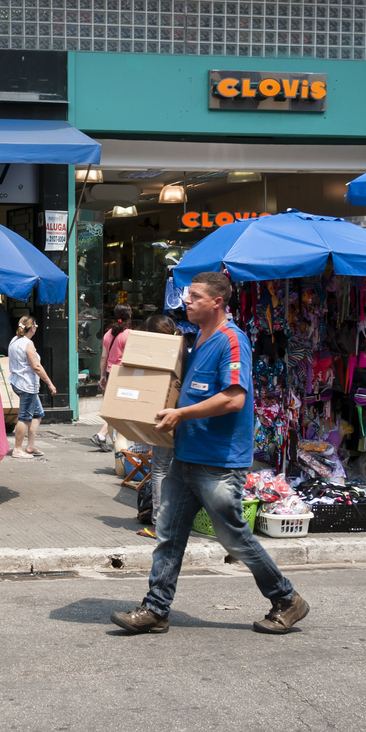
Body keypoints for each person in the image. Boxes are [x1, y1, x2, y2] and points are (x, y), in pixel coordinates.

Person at [111, 272, 308, 636]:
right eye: (188, 296)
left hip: (217, 461)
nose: (187, 302)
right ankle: (156, 609)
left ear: (217, 302)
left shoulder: (232, 340)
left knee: (234, 538)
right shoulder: (196, 339)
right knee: (168, 534)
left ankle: (287, 599)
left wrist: (182, 414)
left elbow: (235, 398)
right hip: (184, 455)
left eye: (196, 297)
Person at [134, 313, 181, 538]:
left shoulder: (155, 355)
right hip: (186, 416)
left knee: (161, 468)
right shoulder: (184, 351)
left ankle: (159, 525)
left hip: (165, 418)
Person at [7, 315, 56, 459]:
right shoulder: (28, 344)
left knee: (37, 414)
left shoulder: (14, 340)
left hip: (18, 382)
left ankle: (30, 445)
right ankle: (17, 449)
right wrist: (50, 383)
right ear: (33, 328)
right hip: (26, 385)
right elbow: (36, 366)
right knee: (24, 417)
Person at [92, 304, 132, 448]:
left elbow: (104, 357)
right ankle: (103, 435)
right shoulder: (128, 335)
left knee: (118, 407)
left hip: (110, 372)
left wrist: (102, 376)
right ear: (129, 315)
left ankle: (106, 435)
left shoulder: (108, 334)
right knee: (119, 408)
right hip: (123, 374)